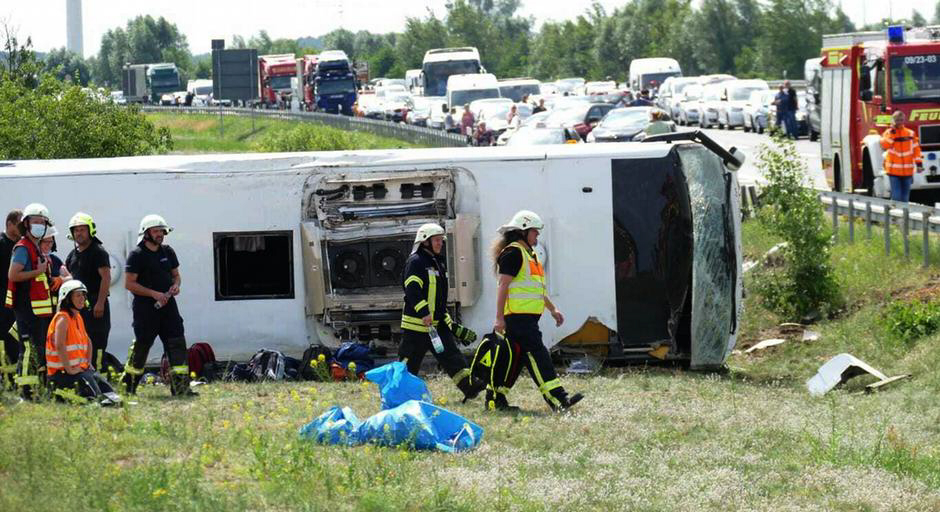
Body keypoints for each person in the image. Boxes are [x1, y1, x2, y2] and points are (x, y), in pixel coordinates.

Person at [491, 210, 583, 412]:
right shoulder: (513, 253)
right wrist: (499, 318)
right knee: (539, 355)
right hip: (518, 319)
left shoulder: (529, 256)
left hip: (526, 319)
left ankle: (494, 400)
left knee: (512, 361)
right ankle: (559, 400)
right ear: (523, 231)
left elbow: (536, 290)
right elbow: (503, 286)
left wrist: (553, 309)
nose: (538, 235)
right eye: (535, 231)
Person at [399, 223, 486, 401]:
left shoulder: (437, 262)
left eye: (441, 240)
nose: (440, 243)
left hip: (436, 324)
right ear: (425, 241)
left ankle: (469, 386)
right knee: (409, 365)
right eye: (437, 240)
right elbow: (412, 290)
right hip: (417, 326)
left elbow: (438, 298)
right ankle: (399, 395)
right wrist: (424, 312)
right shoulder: (416, 262)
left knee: (452, 356)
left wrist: (449, 323)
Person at [121, 214, 196, 397]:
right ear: (146, 233)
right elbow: (129, 284)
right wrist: (153, 293)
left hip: (169, 308)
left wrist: (176, 285)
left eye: (162, 231)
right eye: (155, 231)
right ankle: (128, 388)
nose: (160, 234)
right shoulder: (137, 255)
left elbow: (176, 275)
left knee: (177, 343)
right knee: (142, 347)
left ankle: (181, 389)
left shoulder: (168, 252)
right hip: (146, 310)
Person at [5, 203, 56, 399]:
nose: (40, 225)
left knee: (36, 349)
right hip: (26, 307)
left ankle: (35, 390)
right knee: (28, 349)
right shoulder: (23, 248)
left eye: (43, 222)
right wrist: (38, 271)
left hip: (37, 310)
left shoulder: (35, 247)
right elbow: (13, 274)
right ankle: (26, 393)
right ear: (26, 224)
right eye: (36, 221)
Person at [46, 280, 120, 405]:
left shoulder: (77, 317)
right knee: (94, 399)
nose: (82, 298)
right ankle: (56, 393)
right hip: (61, 375)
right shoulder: (62, 318)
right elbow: (59, 345)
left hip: (78, 370)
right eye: (78, 295)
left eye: (83, 295)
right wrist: (69, 369)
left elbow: (88, 341)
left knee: (109, 392)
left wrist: (88, 363)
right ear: (67, 299)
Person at [65, 212, 112, 373]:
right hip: (77, 307)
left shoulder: (98, 251)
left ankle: (100, 377)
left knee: (97, 342)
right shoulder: (72, 255)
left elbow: (106, 277)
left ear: (90, 230)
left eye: (82, 230)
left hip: (95, 305)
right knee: (79, 341)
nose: (79, 233)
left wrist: (100, 303)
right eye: (76, 230)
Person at [0, 209, 22, 388]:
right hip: (2, 304)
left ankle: (13, 382)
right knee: (3, 342)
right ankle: (5, 382)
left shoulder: (20, 246)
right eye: (19, 225)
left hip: (14, 304)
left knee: (14, 341)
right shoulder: (1, 244)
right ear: (9, 224)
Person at [881, 110, 923, 203]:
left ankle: (902, 212)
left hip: (907, 171)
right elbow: (885, 145)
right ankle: (895, 211)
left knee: (905, 197)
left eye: (901, 120)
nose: (899, 122)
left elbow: (916, 150)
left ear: (904, 120)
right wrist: (892, 134)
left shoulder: (910, 133)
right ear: (893, 121)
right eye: (897, 120)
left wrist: (919, 164)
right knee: (896, 196)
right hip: (893, 171)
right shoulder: (888, 133)